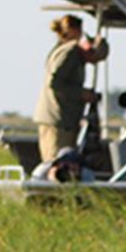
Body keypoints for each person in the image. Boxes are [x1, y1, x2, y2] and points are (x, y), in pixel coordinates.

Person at [32, 15, 108, 161]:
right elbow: (55, 84)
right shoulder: (70, 52)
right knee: (58, 164)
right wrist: (81, 94)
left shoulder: (67, 51)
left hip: (64, 120)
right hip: (58, 121)